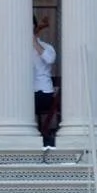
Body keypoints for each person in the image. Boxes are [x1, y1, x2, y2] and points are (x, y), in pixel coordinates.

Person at [32, 16, 59, 145]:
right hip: (25, 93)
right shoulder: (17, 49)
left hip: (43, 93)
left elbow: (49, 59)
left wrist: (34, 42)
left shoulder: (47, 47)